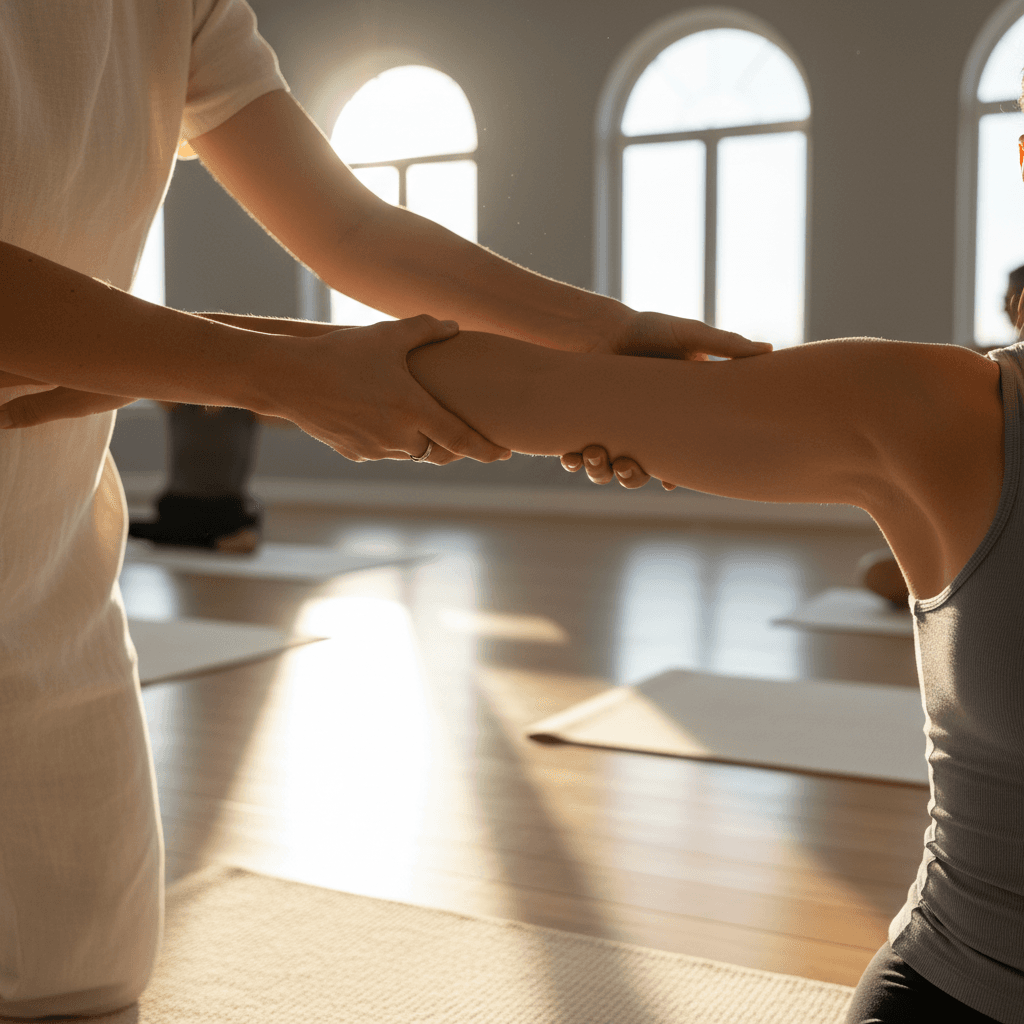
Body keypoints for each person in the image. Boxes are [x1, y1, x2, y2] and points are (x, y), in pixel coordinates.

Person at [0, 2, 768, 1018]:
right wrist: (275, 373)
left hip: (41, 576)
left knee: (81, 978)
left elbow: (350, 225)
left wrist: (606, 336)